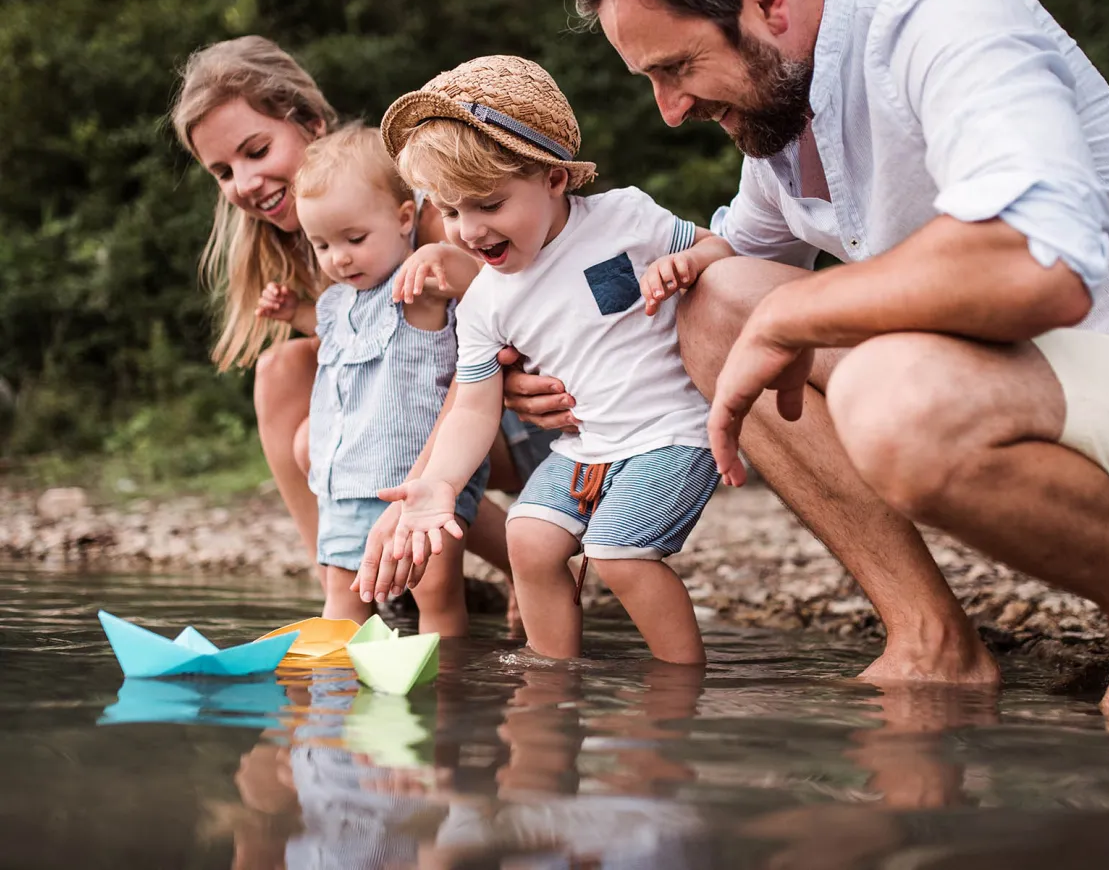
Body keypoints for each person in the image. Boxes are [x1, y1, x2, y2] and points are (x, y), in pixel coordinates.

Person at [544, 0, 1109, 713]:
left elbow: (1037, 264)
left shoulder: (939, 14)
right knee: (715, 303)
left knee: (891, 393)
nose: (670, 110)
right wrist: (553, 376)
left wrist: (797, 309)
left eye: (678, 68)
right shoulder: (782, 126)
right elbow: (723, 278)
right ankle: (933, 642)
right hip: (1053, 399)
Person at [369, 55, 733, 664]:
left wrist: (691, 264)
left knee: (619, 555)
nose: (469, 230)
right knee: (528, 539)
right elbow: (474, 409)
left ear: (554, 179)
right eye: (452, 210)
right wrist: (439, 483)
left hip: (671, 431)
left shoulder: (625, 219)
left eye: (488, 204)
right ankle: (551, 678)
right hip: (583, 447)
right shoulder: (484, 300)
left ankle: (680, 684)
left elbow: (720, 250)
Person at [170, 36, 529, 616]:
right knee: (282, 369)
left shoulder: (424, 214)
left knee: (325, 441)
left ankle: (474, 562)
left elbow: (488, 353)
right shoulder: (317, 248)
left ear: (310, 123)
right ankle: (349, 585)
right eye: (223, 171)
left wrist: (420, 494)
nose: (245, 182)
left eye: (256, 150)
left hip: (512, 408)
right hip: (420, 430)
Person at [247, 123, 492, 630]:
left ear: (405, 219)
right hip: (344, 483)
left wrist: (441, 255)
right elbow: (335, 333)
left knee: (437, 598)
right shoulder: (338, 301)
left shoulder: (418, 288)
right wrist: (296, 312)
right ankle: (332, 697)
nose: (339, 257)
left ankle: (449, 690)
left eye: (354, 239)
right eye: (321, 245)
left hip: (413, 483)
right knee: (342, 597)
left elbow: (481, 288)